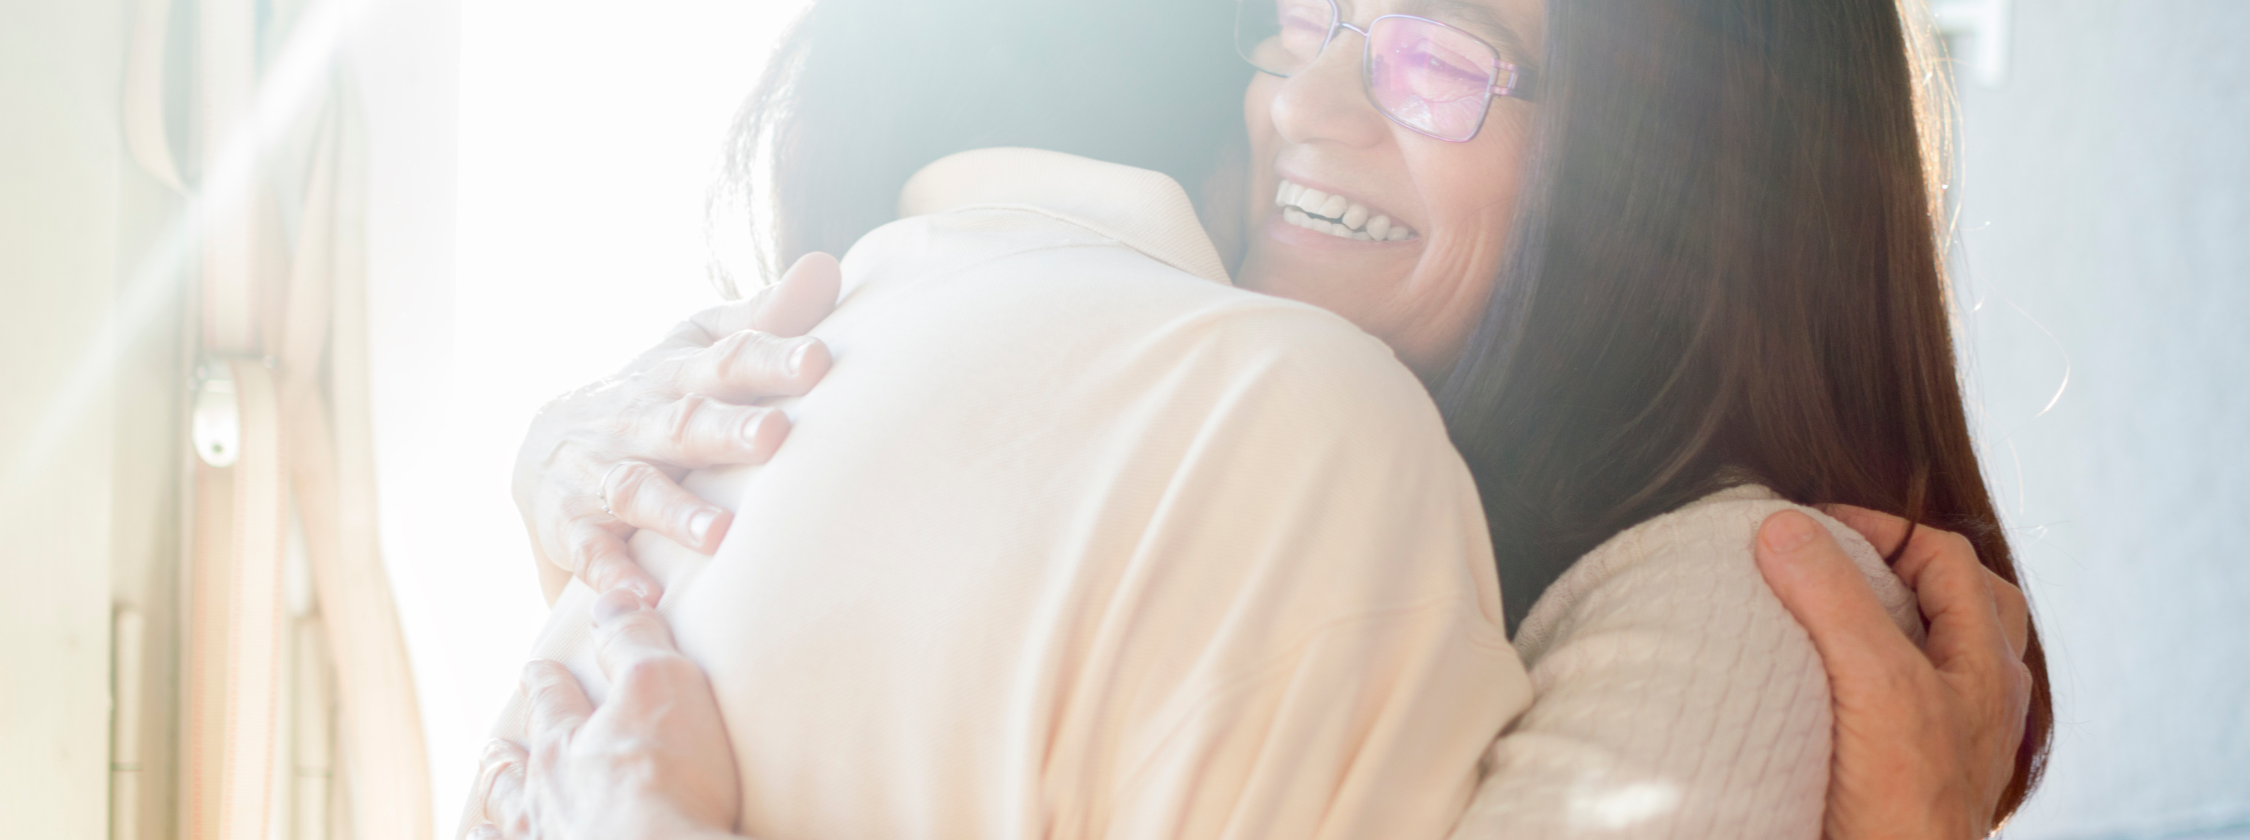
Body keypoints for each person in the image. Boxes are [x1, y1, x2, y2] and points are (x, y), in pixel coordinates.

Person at [487, 0, 2053, 835]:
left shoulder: (1744, 598)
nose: (1303, 107)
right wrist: (563, 456)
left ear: (1693, 190)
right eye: (1313, 21)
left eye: (1439, 60)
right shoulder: (1340, 489)